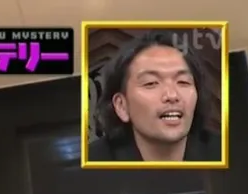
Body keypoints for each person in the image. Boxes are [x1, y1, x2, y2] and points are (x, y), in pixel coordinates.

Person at [86, 31, 222, 163]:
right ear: (122, 106)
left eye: (183, 82)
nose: (172, 95)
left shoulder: (224, 153)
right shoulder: (92, 164)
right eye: (151, 83)